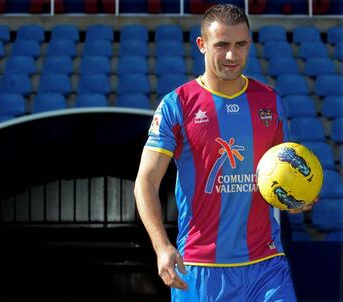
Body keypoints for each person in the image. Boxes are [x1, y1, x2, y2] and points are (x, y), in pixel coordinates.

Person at [134, 4, 314, 301]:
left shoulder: (270, 101)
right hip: (202, 270)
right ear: (202, 45)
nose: (232, 55)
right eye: (222, 45)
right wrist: (161, 246)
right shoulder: (177, 105)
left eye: (240, 44)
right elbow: (146, 182)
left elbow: (279, 170)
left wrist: (294, 197)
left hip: (266, 266)